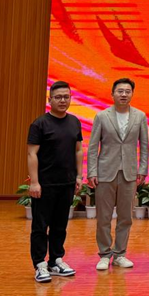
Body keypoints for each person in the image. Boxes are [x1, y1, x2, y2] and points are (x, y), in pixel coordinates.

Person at [87, 78, 148, 271]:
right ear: (112, 94)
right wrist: (92, 171)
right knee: (103, 217)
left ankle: (120, 254)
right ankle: (104, 254)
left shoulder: (140, 116)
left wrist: (142, 169)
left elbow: (144, 145)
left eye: (127, 91)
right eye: (120, 91)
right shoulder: (102, 116)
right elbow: (93, 147)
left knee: (125, 217)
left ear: (132, 94)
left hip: (129, 173)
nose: (123, 94)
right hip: (105, 172)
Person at [27, 80, 83, 283]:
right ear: (49, 99)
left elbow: (78, 150)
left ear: (70, 99)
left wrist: (78, 176)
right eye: (58, 97)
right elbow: (32, 154)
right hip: (45, 184)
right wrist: (34, 182)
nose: (62, 100)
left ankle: (56, 260)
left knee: (60, 225)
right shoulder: (40, 124)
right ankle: (40, 264)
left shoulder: (74, 122)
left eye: (66, 97)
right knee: (40, 226)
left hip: (66, 183)